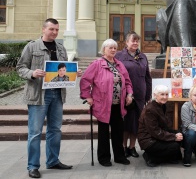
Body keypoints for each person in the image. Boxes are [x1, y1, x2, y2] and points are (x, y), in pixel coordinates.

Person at [16, 18, 81, 178]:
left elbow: (64, 69)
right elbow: (20, 68)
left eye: (57, 30)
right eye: (51, 29)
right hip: (38, 95)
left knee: (55, 130)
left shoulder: (61, 48)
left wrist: (74, 73)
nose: (54, 32)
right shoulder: (32, 47)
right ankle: (33, 166)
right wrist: (32, 73)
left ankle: (53, 160)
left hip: (57, 94)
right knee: (35, 132)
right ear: (44, 29)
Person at [80, 39, 133, 167]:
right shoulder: (97, 64)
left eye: (115, 48)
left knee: (118, 131)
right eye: (110, 48)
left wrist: (130, 94)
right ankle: (104, 158)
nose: (113, 50)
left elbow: (127, 81)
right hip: (103, 104)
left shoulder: (119, 64)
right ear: (104, 49)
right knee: (103, 132)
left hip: (118, 104)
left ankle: (119, 156)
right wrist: (87, 96)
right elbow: (85, 80)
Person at [115, 31, 152, 159]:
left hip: (140, 95)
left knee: (137, 123)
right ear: (126, 42)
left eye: (137, 41)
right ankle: (124, 147)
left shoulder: (143, 56)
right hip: (125, 95)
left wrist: (148, 94)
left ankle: (132, 147)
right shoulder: (119, 56)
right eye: (133, 40)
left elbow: (148, 77)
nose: (135, 43)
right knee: (126, 123)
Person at [138, 85, 183, 167]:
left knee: (180, 135)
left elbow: (164, 126)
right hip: (149, 141)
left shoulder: (161, 105)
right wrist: (173, 137)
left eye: (166, 94)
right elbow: (155, 131)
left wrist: (175, 134)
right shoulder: (150, 110)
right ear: (155, 95)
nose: (165, 97)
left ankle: (170, 157)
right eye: (162, 94)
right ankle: (151, 158)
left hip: (156, 135)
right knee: (175, 146)